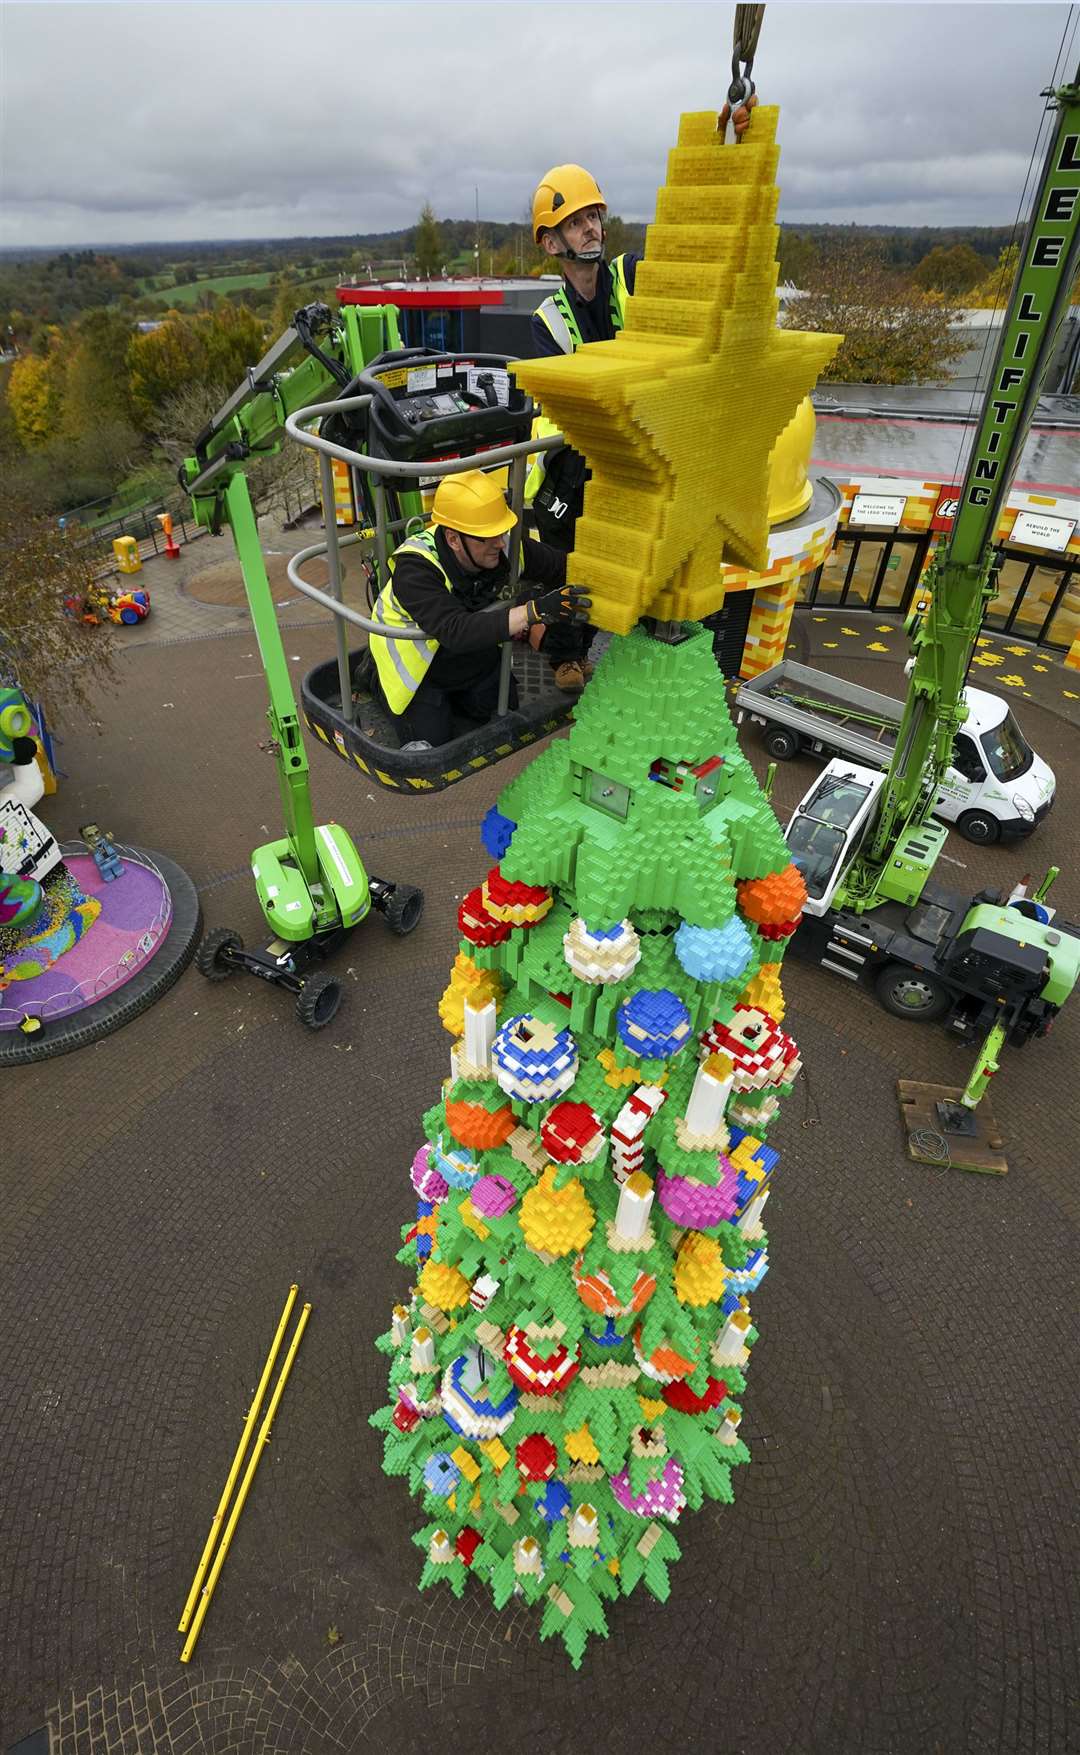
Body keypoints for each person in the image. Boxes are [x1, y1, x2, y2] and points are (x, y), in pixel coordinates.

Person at [366, 469, 590, 749]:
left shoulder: (502, 546)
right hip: (420, 670)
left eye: (500, 532)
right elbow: (456, 630)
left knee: (503, 705)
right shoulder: (416, 568)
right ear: (453, 539)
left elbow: (562, 568)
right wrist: (535, 611)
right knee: (432, 742)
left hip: (467, 653)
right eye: (487, 537)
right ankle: (374, 679)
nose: (500, 543)